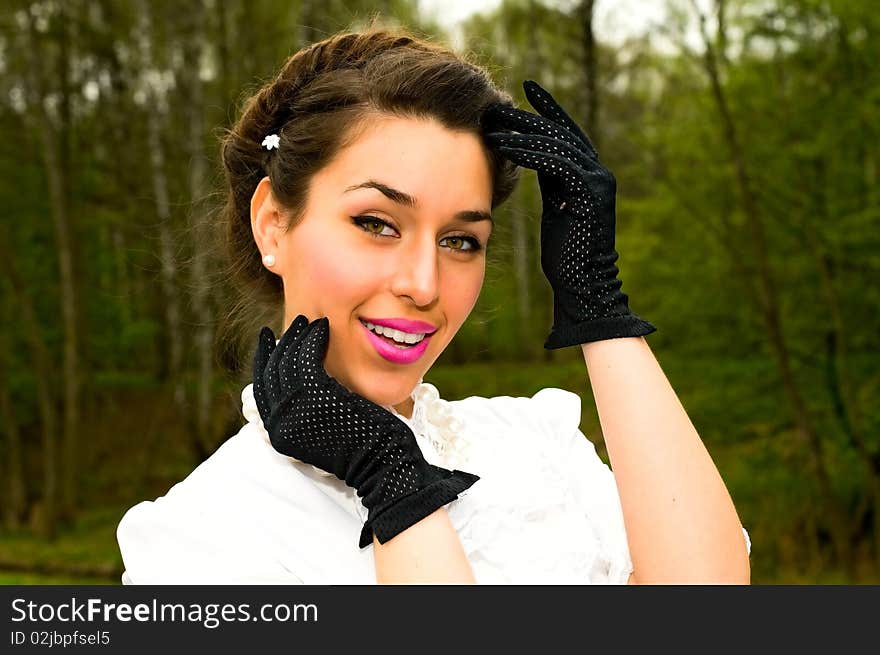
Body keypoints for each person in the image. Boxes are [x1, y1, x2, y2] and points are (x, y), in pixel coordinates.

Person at [116, 25, 751, 584]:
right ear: (274, 224)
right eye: (377, 223)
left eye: (460, 240)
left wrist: (599, 306)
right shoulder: (200, 538)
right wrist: (391, 483)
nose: (424, 284)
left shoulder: (535, 448)